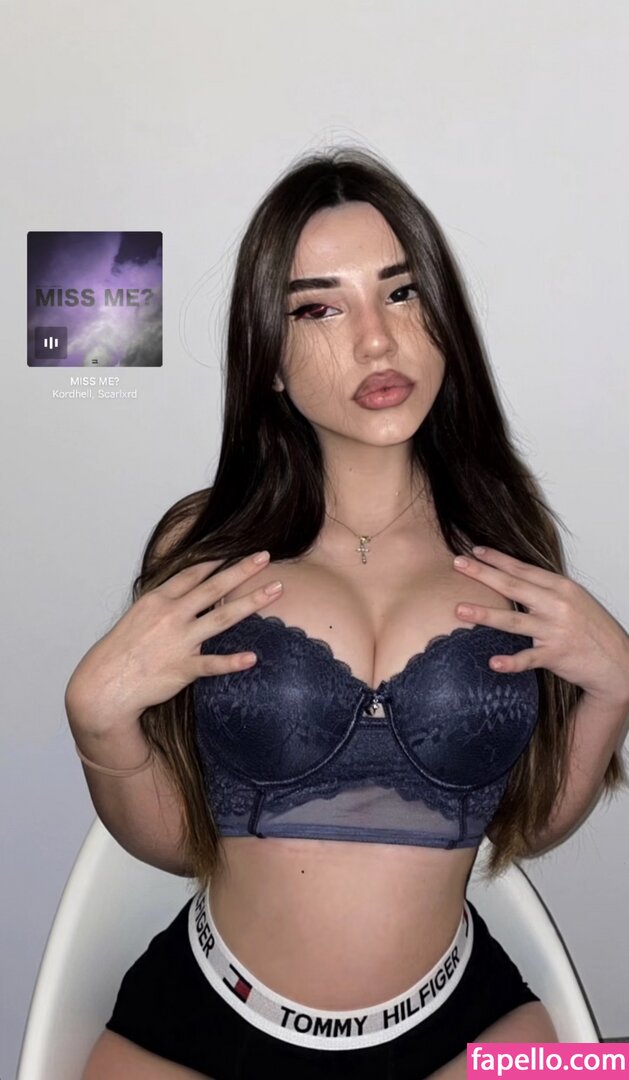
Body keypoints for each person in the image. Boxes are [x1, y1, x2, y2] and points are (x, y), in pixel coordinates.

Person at [65, 147, 629, 1080]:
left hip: (460, 1022)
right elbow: (173, 844)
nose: (376, 341)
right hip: (205, 1023)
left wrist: (613, 692)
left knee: (592, 1068)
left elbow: (520, 829)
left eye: (400, 294)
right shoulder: (206, 547)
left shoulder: (507, 543)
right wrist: (98, 723)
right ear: (268, 361)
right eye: (318, 309)